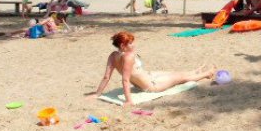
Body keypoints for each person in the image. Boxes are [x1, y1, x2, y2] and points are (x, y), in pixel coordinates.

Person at [86, 31, 215, 106]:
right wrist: (129, 100)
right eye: (131, 43)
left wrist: (97, 93)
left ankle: (195, 71)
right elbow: (125, 80)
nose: (134, 44)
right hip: (151, 85)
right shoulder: (128, 57)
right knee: (182, 78)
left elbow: (106, 77)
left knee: (175, 74)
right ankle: (207, 74)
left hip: (148, 77)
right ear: (122, 45)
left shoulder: (113, 55)